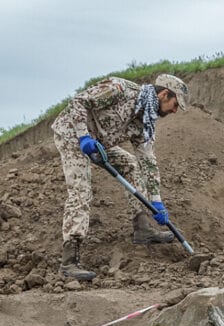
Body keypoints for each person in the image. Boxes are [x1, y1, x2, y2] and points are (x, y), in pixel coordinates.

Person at [50, 73, 190, 281]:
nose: (175, 110)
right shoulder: (120, 90)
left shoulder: (146, 120)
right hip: (72, 135)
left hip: (99, 142)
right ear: (163, 94)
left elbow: (147, 162)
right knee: (81, 191)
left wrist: (157, 202)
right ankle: (69, 261)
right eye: (175, 104)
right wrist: (83, 136)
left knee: (131, 165)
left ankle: (142, 227)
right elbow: (79, 101)